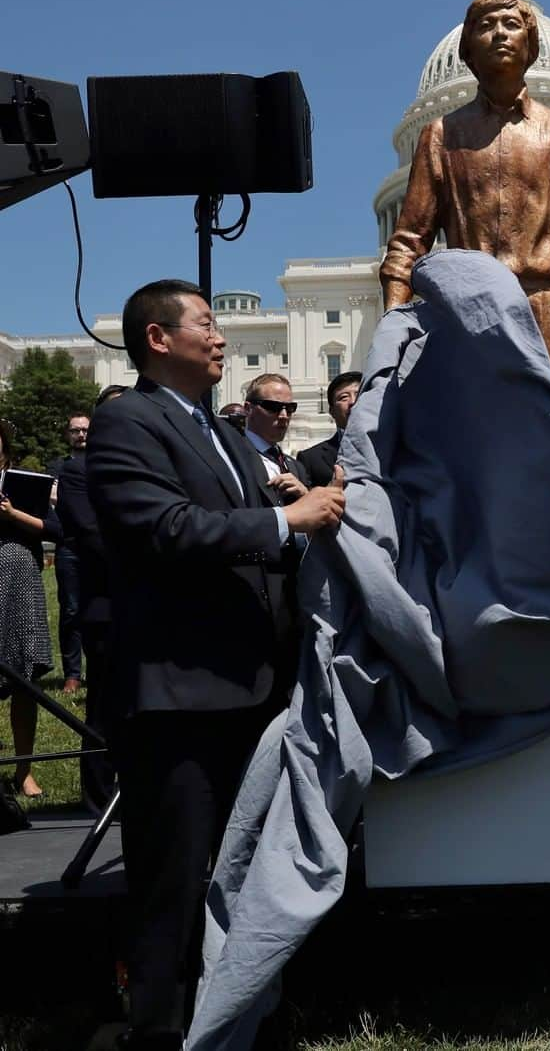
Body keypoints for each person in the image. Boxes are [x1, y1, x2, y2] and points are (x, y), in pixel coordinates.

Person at [86, 279, 345, 1050]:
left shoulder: (227, 435)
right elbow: (164, 529)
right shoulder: (128, 422)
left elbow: (260, 520)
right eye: (206, 323)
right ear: (158, 339)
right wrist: (283, 518)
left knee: (250, 869)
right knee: (176, 874)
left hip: (252, 689)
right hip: (180, 697)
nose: (222, 334)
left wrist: (302, 511)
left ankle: (246, 1011)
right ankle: (160, 1028)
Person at [379, 0, 550, 419]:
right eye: (486, 26)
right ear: (466, 51)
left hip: (543, 309)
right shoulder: (440, 135)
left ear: (532, 45)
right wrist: (390, 342)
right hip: (467, 315)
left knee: (548, 445)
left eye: (511, 24)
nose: (500, 34)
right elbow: (406, 247)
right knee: (471, 445)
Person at [57, 386, 127, 814]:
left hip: (150, 604)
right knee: (104, 706)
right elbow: (92, 534)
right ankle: (99, 795)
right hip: (108, 602)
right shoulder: (79, 471)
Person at [1, 419, 61, 799]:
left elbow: (53, 529)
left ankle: (24, 769)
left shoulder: (26, 481)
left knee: (24, 678)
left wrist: (11, 515)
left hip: (18, 575)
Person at [46, 412, 91, 695]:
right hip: (69, 546)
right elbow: (52, 495)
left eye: (85, 430)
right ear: (68, 435)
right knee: (72, 610)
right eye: (75, 431)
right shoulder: (57, 466)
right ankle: (73, 674)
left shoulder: (103, 464)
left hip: (101, 547)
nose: (81, 435)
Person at [242, 373, 311, 500]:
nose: (284, 415)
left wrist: (306, 496)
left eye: (290, 408)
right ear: (248, 409)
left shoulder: (296, 467)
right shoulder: (232, 456)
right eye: (273, 407)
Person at [297, 370, 363, 487]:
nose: (353, 402)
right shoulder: (310, 459)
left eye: (359, 395)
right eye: (344, 397)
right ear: (332, 412)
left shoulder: (398, 447)